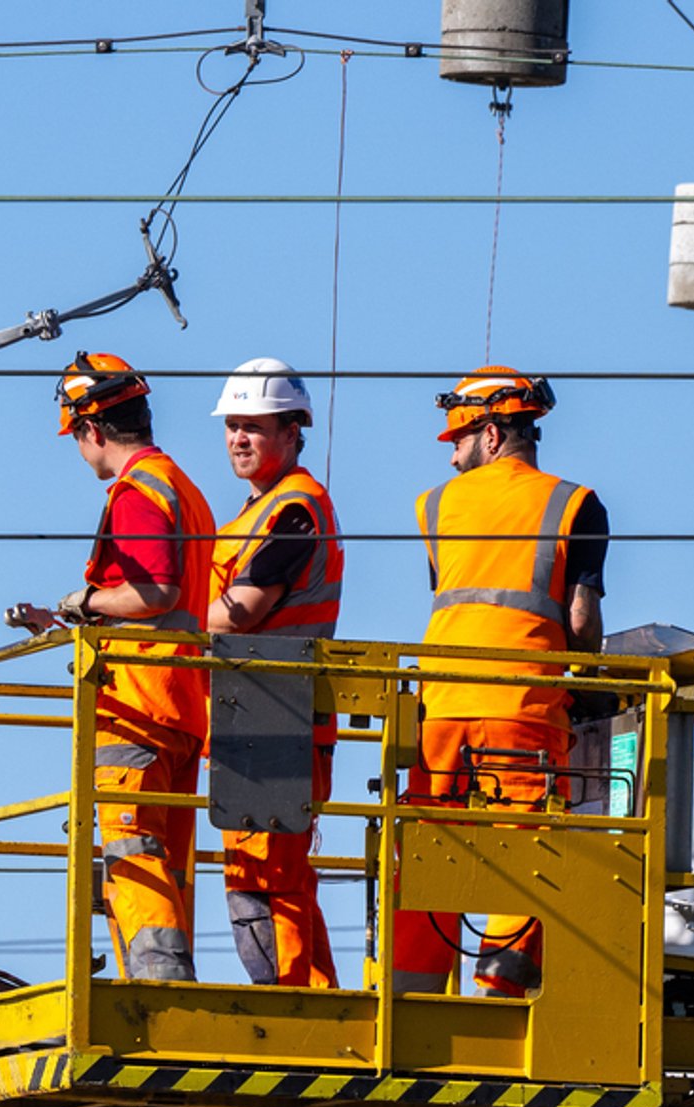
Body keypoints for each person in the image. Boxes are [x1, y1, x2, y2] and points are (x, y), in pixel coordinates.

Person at [390, 368, 608, 997]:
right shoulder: (576, 503)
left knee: (432, 843)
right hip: (524, 707)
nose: (451, 453)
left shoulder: (433, 505)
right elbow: (580, 620)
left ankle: (412, 994)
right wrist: (587, 668)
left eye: (457, 438)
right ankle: (498, 988)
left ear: (490, 434)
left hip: (439, 707)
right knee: (524, 846)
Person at [10, 351, 217, 982]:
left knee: (131, 853)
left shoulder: (136, 492)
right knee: (166, 863)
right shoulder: (185, 489)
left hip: (137, 704)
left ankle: (157, 995)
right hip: (183, 704)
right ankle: (160, 982)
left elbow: (153, 593)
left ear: (91, 430)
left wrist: (83, 602)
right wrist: (71, 619)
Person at [205, 357, 344, 988]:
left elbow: (244, 610)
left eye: (253, 427)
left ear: (293, 432)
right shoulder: (253, 514)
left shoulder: (295, 510)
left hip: (276, 713)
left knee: (267, 879)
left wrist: (166, 624)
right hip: (253, 712)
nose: (238, 438)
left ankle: (296, 1008)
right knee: (271, 875)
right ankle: (315, 1003)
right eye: (233, 425)